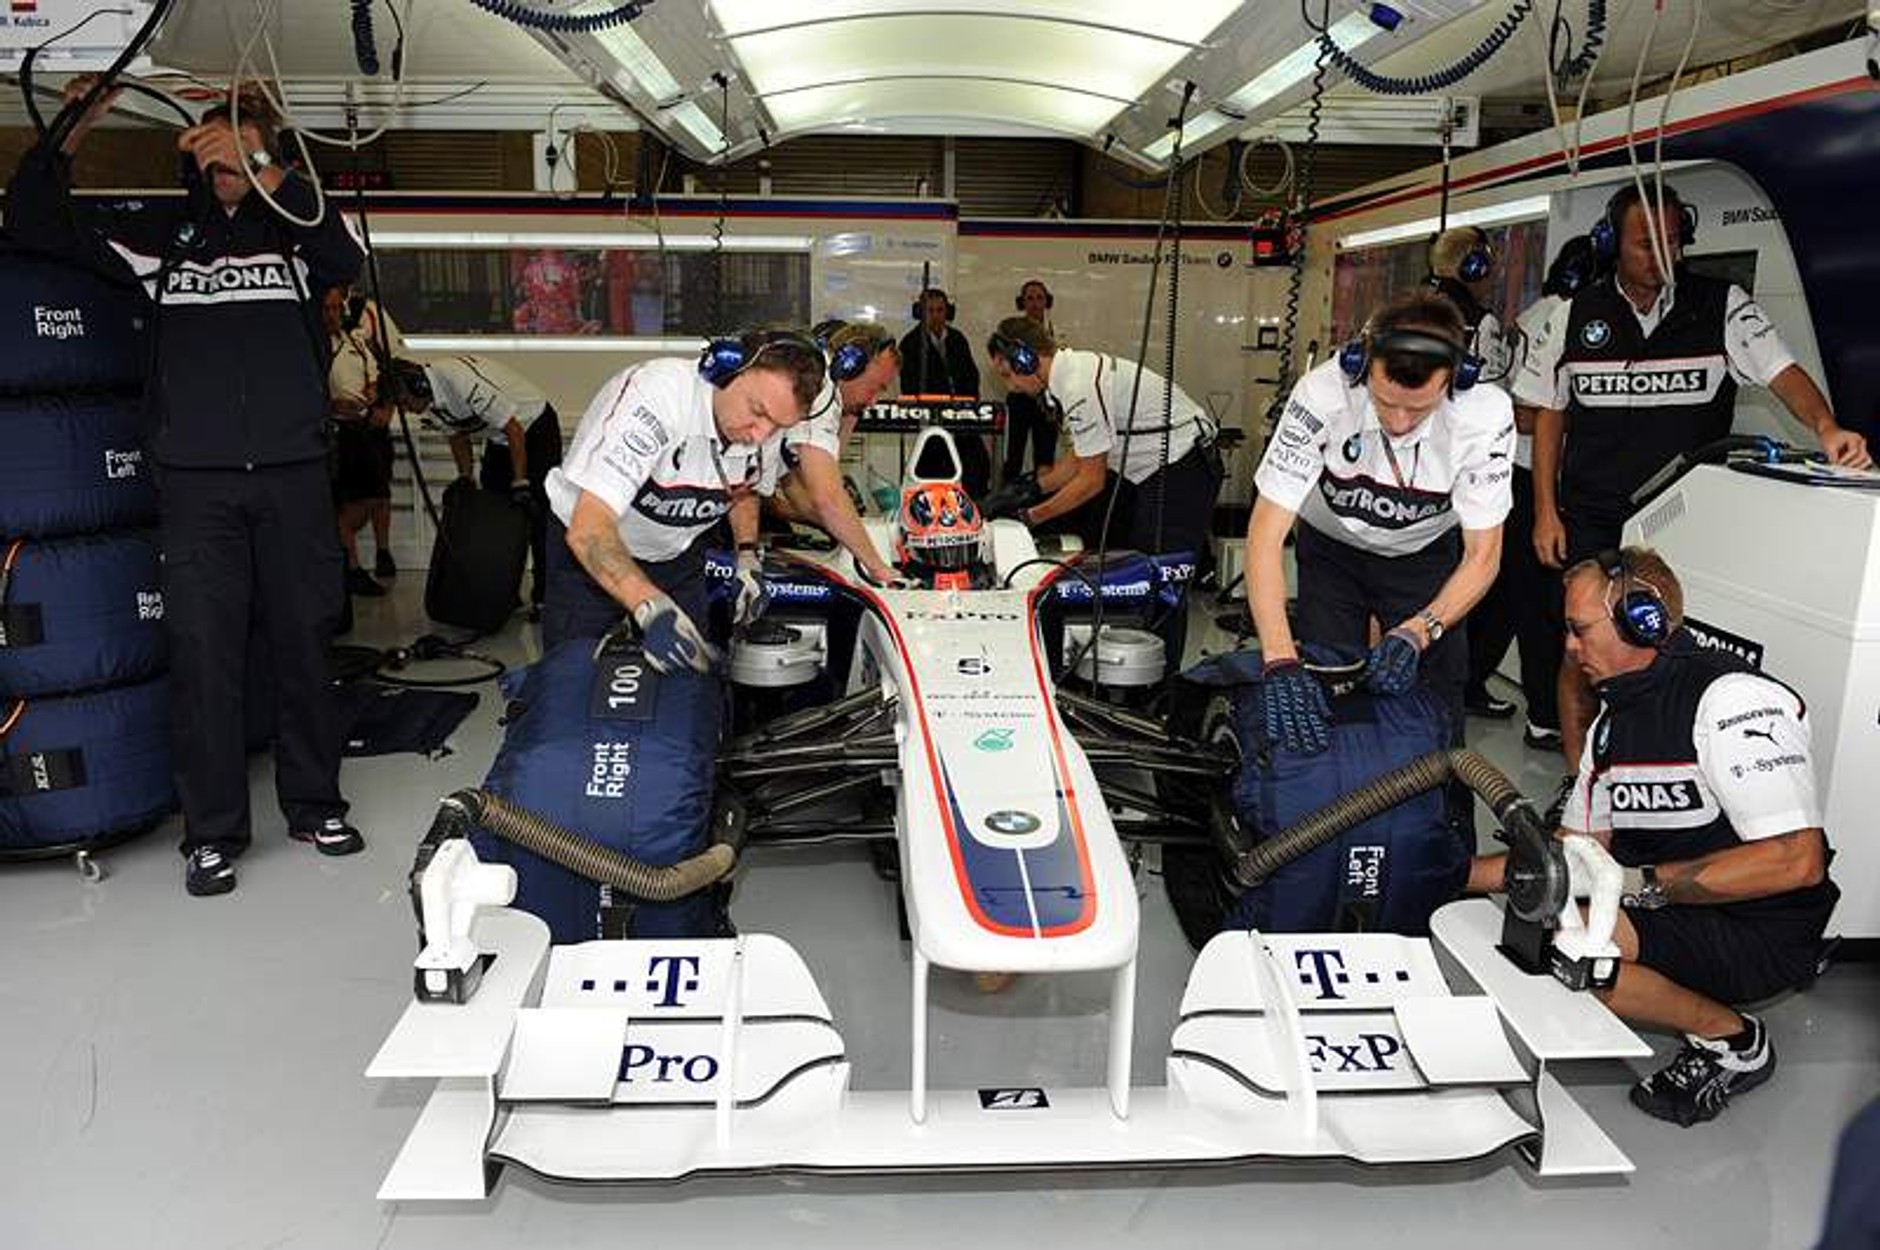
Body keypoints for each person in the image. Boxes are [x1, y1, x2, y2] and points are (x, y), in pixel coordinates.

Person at [7, 80, 365, 896]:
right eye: (218, 150)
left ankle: (314, 806)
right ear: (195, 160)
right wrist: (80, 119)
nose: (230, 164)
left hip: (293, 475)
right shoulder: (161, 237)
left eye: (245, 150)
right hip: (198, 486)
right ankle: (212, 834)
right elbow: (33, 220)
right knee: (204, 658)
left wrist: (267, 165)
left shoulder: (299, 236)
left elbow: (348, 261)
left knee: (306, 645)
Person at [1467, 547, 1839, 1127]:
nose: (1568, 646)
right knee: (1542, 925)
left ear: (1642, 621)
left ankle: (1734, 1041)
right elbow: (1570, 851)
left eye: (1579, 630)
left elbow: (1797, 861)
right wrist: (1455, 873)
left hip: (1764, 927)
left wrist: (1634, 885)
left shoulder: (1732, 701)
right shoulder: (1612, 729)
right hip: (1672, 902)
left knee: (1577, 949)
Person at [1516, 181, 1872, 770]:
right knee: (1582, 650)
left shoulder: (1723, 304)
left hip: (1688, 516)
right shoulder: (1572, 316)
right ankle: (1580, 790)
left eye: (1673, 243)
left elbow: (1783, 372)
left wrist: (1826, 427)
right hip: (1595, 512)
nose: (1663, 257)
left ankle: (1668, 768)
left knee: (1673, 650)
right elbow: (1549, 413)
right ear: (1612, 248)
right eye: (1643, 245)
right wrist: (1546, 511)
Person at [1245, 290, 1514, 756]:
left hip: (1423, 558)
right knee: (1324, 690)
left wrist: (1421, 629)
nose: (1400, 421)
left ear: (1455, 379)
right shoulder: (1322, 393)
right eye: (1386, 401)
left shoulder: (1484, 415)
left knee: (1439, 704)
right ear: (1362, 366)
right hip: (1332, 553)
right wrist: (1279, 659)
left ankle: (1443, 824)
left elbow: (1483, 555)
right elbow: (1265, 536)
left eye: (1419, 408)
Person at [542, 330, 825, 665]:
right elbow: (589, 529)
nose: (761, 434)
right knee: (570, 680)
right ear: (724, 370)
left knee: (693, 684)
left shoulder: (763, 429)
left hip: (676, 554)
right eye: (757, 410)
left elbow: (745, 487)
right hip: (590, 557)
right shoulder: (656, 397)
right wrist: (649, 606)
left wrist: (746, 556)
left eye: (777, 425)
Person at [983, 315, 1223, 670]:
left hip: (1182, 468)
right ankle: (1146, 673)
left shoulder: (1079, 383)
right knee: (1147, 572)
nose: (1011, 386)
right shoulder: (1067, 378)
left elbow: (1090, 480)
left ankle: (1162, 689)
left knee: (1161, 579)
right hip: (1162, 473)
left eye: (1007, 374)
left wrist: (1029, 517)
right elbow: (1075, 462)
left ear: (1027, 359)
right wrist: (1023, 490)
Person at [1466, 236, 1604, 749]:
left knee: (1506, 597)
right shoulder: (1565, 318)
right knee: (1539, 605)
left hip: (1523, 476)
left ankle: (1474, 681)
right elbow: (1527, 409)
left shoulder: (1530, 315)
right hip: (1533, 475)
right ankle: (1545, 714)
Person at [385, 354, 563, 614]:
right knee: (495, 515)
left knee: (537, 515)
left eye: (404, 402)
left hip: (534, 427)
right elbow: (457, 435)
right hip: (500, 438)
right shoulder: (431, 403)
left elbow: (514, 429)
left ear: (418, 386)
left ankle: (543, 597)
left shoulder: (459, 381)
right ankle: (503, 593)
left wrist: (521, 482)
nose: (407, 410)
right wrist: (465, 478)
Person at [1425, 226, 1519, 721]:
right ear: (1474, 268)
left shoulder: (1413, 308)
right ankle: (1460, 690)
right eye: (1488, 264)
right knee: (1475, 584)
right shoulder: (1479, 324)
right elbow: (1494, 400)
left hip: (1416, 475)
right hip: (1463, 477)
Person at [769, 320, 905, 585]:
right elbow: (827, 499)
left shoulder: (817, 385)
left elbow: (799, 490)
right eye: (876, 387)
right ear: (851, 365)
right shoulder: (819, 390)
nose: (874, 400)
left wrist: (853, 412)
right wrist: (881, 569)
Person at [324, 287, 404, 595]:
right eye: (326, 309)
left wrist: (376, 397)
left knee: (378, 493)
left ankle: (379, 552)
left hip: (367, 428)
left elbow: (380, 369)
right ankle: (352, 566)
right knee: (345, 501)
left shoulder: (355, 337)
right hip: (338, 433)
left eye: (336, 307)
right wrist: (333, 405)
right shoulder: (314, 345)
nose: (332, 314)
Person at [899, 287, 990, 495]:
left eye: (940, 310)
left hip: (962, 417)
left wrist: (968, 404)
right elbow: (909, 384)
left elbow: (971, 375)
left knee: (977, 464)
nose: (936, 316)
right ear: (920, 312)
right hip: (930, 420)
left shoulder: (958, 339)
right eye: (930, 310)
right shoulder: (911, 343)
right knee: (933, 470)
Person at [1000, 279, 1060, 484]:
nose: (1035, 303)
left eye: (1040, 298)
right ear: (1022, 303)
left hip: (1047, 399)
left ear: (1047, 302)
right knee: (1013, 453)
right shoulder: (1013, 333)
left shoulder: (1057, 333)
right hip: (1020, 399)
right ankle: (1007, 499)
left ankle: (1041, 498)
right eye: (1030, 298)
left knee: (1045, 454)